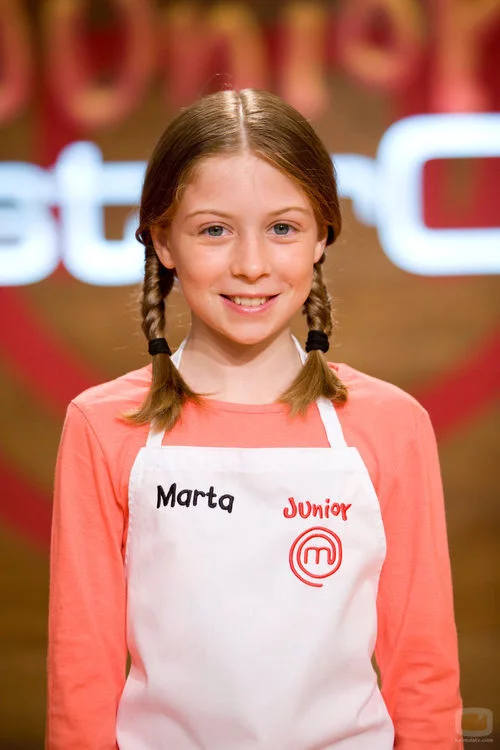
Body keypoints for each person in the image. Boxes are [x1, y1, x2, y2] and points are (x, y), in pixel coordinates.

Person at [45, 88, 463, 750]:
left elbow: (424, 673)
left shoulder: (391, 425)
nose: (250, 265)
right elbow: (82, 678)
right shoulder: (104, 426)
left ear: (322, 236)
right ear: (163, 241)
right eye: (214, 230)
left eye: (283, 228)